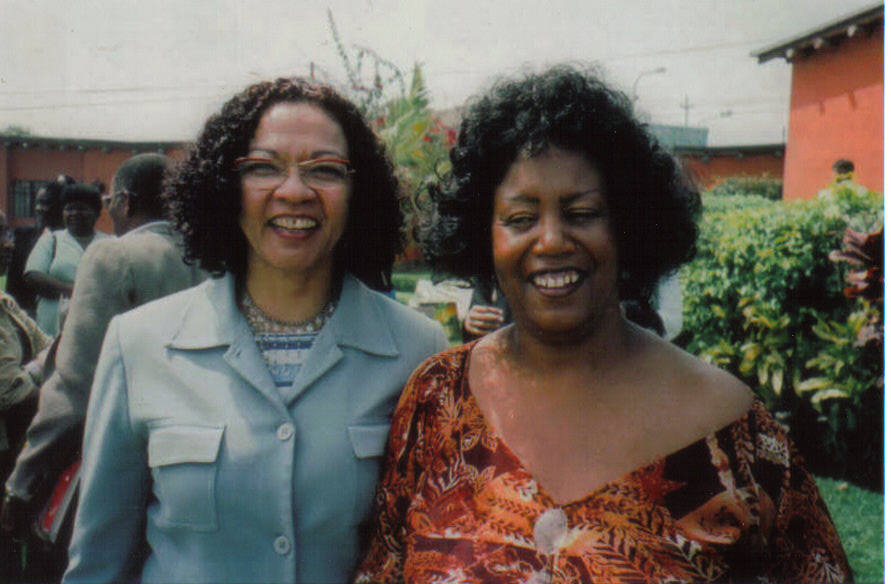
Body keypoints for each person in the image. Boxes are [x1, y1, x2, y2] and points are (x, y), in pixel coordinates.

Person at [356, 66, 851, 583]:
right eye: (521, 219)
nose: (550, 241)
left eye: (582, 212)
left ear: (629, 225)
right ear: (484, 236)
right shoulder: (438, 401)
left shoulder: (734, 432)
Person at [64, 78, 448, 584]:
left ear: (360, 192)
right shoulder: (139, 345)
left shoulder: (418, 350)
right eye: (264, 167)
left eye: (325, 170)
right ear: (225, 187)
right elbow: (98, 565)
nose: (294, 191)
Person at [1, 154, 207, 566]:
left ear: (127, 202)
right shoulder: (208, 259)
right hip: (198, 469)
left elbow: (76, 386)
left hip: (121, 471)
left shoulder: (113, 256)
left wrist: (21, 483)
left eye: (111, 199)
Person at [0, 210, 52, 583]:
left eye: (5, 232)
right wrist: (38, 366)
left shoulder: (5, 303)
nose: (7, 245)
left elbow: (53, 346)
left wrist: (35, 362)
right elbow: (9, 391)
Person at [24, 183, 109, 335]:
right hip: (52, 329)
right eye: (69, 208)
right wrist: (75, 291)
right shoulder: (52, 239)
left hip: (96, 327)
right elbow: (32, 275)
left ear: (96, 213)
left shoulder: (109, 243)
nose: (74, 213)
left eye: (82, 208)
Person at [6, 176, 69, 315]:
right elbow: (13, 283)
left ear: (60, 207)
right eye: (38, 203)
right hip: (24, 313)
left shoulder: (71, 242)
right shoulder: (22, 236)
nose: (39, 208)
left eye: (46, 203)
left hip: (59, 313)